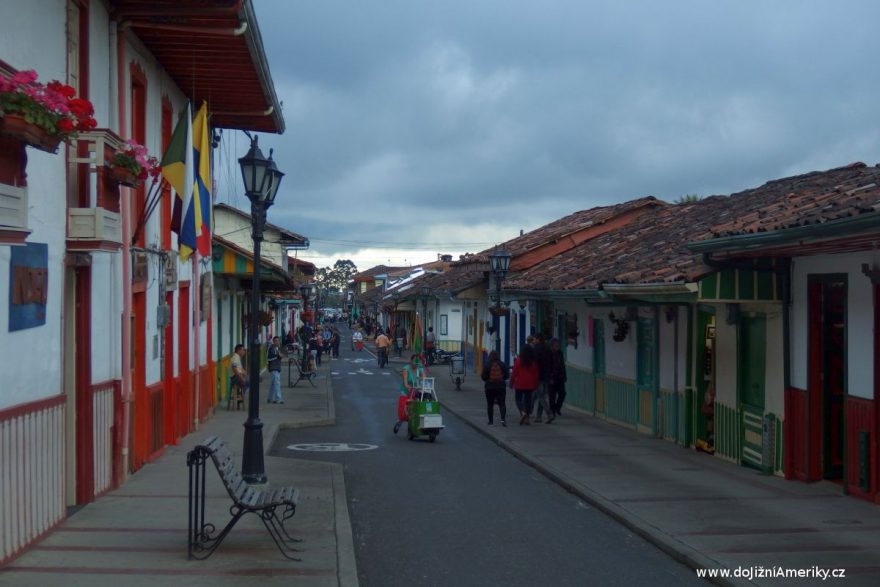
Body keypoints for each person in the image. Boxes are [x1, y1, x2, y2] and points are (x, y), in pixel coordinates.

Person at [510, 344, 540, 425]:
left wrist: (511, 383)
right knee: (528, 401)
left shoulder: (518, 360)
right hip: (530, 384)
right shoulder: (533, 362)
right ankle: (527, 419)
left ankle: (523, 412)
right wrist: (536, 385)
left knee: (518, 400)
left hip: (519, 383)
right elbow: (536, 375)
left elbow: (514, 373)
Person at [481, 350, 508, 426]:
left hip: (490, 387)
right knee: (502, 404)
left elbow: (483, 377)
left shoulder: (487, 365)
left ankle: (491, 422)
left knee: (490, 404)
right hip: (501, 387)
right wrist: (501, 379)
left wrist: (488, 380)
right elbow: (507, 375)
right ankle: (503, 420)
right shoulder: (502, 364)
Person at [533, 334, 555, 423]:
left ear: (538, 339)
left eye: (534, 339)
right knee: (541, 396)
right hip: (547, 376)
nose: (533, 341)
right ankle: (538, 417)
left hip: (539, 376)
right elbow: (552, 362)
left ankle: (549, 414)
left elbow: (534, 363)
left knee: (540, 396)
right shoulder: (548, 348)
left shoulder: (536, 349)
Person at [548, 337, 567, 416]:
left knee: (562, 393)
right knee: (552, 395)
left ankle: (557, 408)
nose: (557, 345)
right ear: (552, 345)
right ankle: (552, 410)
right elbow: (547, 366)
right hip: (552, 377)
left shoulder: (560, 353)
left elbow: (562, 365)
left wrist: (564, 375)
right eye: (555, 344)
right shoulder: (548, 353)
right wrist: (550, 377)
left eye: (558, 344)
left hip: (560, 376)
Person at [267, 336, 284, 404]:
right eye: (276, 341)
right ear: (273, 341)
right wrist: (278, 355)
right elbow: (269, 358)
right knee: (277, 383)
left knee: (273, 384)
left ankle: (270, 398)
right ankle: (278, 399)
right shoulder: (271, 348)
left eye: (278, 340)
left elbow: (280, 356)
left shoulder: (278, 348)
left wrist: (280, 356)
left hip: (277, 367)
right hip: (273, 368)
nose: (277, 342)